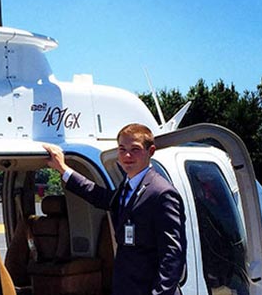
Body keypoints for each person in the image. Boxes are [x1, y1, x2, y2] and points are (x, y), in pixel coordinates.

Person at [43, 123, 187, 295]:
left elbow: (172, 254)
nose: (127, 155)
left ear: (151, 151)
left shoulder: (161, 193)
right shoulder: (127, 187)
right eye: (122, 149)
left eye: (135, 149)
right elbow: (98, 196)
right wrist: (63, 169)